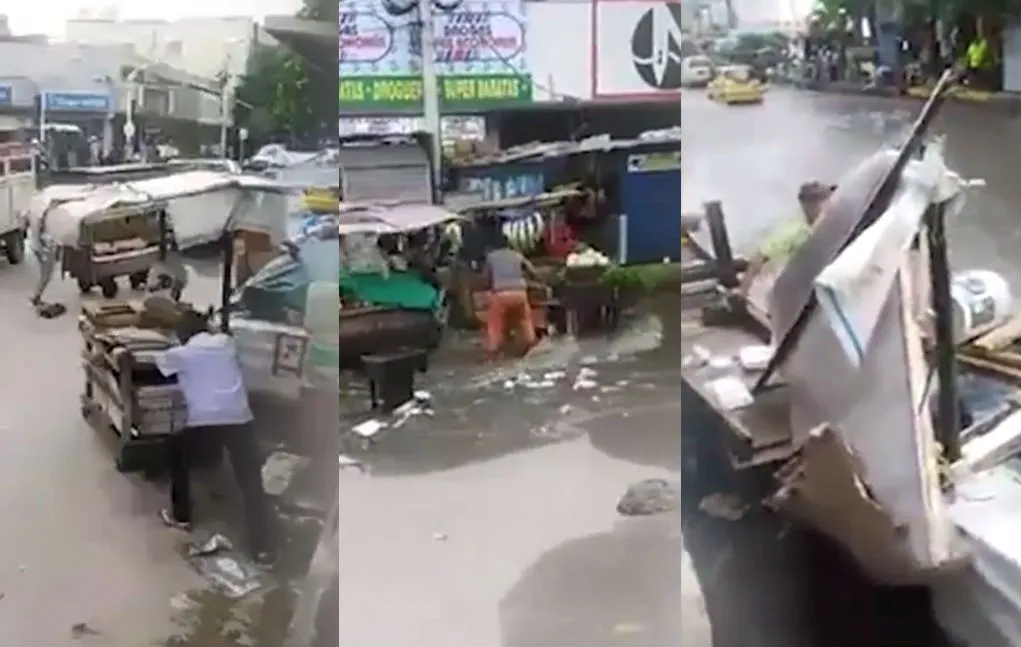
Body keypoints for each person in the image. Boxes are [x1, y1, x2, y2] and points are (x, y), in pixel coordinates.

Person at [154, 309, 275, 563]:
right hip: (240, 418)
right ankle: (264, 549)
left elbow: (159, 362)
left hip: (205, 421)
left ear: (182, 335)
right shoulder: (226, 343)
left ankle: (181, 515)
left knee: (176, 451)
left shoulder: (181, 354)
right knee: (251, 482)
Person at [737, 181, 834, 297]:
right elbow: (759, 257)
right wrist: (743, 291)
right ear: (808, 205)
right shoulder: (793, 231)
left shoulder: (820, 224)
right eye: (822, 200)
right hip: (792, 290)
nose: (829, 204)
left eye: (828, 198)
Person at [482, 235, 538, 359]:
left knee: (495, 323)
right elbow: (532, 271)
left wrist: (489, 287)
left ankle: (493, 349)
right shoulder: (517, 255)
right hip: (519, 293)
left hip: (500, 293)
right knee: (524, 319)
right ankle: (530, 340)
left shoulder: (491, 257)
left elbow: (486, 277)